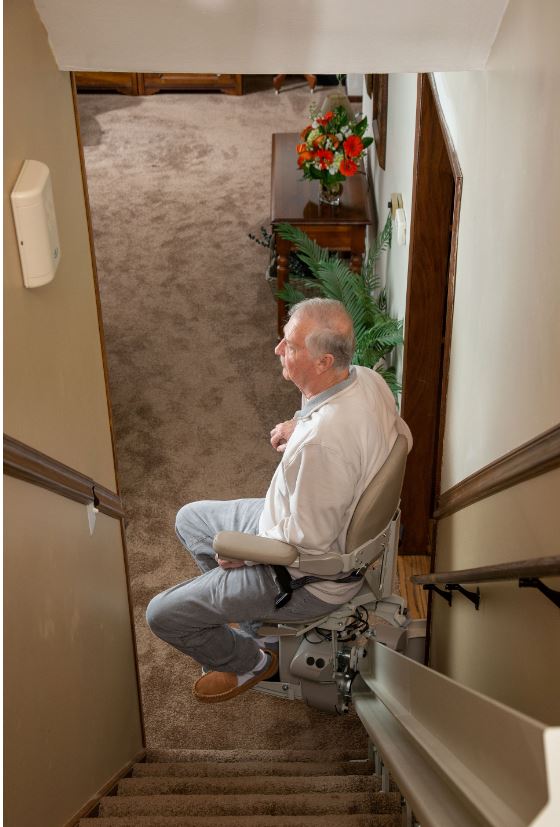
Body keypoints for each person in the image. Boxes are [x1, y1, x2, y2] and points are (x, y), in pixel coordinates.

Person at [146, 298, 412, 704]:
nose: (277, 350)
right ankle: (258, 625)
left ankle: (252, 660)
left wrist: (249, 557)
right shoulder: (363, 380)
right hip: (297, 522)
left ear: (323, 362)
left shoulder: (320, 446)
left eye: (289, 344)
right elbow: (339, 431)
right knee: (190, 519)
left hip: (308, 574)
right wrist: (298, 422)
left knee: (163, 615)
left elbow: (307, 546)